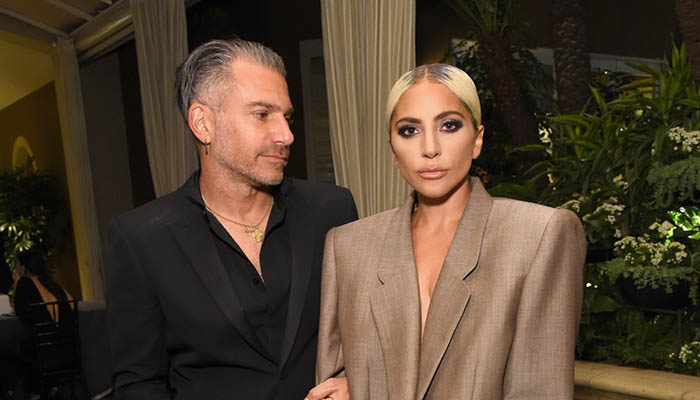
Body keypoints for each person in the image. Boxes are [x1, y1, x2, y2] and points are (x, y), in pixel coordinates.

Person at [104, 39, 357, 400]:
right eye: (262, 114)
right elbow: (139, 384)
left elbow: (366, 331)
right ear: (202, 123)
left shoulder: (331, 210)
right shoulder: (141, 239)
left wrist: (355, 380)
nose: (286, 135)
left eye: (287, 117)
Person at [315, 63, 587, 399]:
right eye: (409, 130)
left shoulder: (539, 235)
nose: (430, 148)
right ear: (393, 150)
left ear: (477, 139)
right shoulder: (348, 246)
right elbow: (336, 376)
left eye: (449, 125)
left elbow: (540, 389)